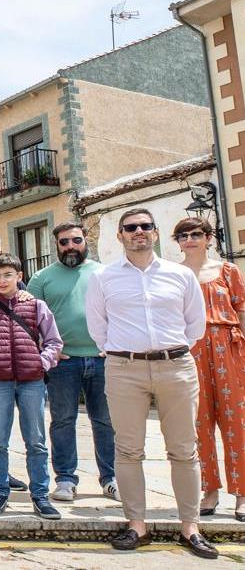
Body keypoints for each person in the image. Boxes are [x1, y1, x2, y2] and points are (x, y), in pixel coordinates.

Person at [85, 208, 216, 559]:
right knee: (128, 449)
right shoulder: (103, 277)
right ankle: (136, 525)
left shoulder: (180, 275)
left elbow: (195, 324)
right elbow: (98, 325)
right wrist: (123, 352)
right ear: (120, 236)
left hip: (176, 366)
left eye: (145, 226)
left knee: (184, 449)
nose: (138, 231)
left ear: (155, 233)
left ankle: (190, 527)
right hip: (124, 368)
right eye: (131, 227)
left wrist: (169, 351)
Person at [0, 254, 64, 519]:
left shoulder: (37, 306)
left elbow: (54, 341)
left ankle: (40, 496)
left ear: (19, 276)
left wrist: (42, 362)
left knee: (36, 441)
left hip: (32, 382)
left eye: (8, 275)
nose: (2, 280)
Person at [26, 222, 117, 503]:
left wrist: (112, 346)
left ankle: (111, 479)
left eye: (76, 240)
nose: (70, 246)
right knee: (63, 421)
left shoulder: (105, 274)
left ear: (85, 240)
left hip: (102, 360)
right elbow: (29, 321)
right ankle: (65, 479)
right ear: (56, 245)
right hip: (62, 363)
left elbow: (119, 312)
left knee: (105, 421)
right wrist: (45, 350)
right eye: (63, 242)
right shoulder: (41, 278)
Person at [173, 217, 245, 522]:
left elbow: (241, 309)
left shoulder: (228, 270)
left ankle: (242, 494)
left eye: (195, 234)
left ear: (208, 238)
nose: (189, 239)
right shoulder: (174, 274)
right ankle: (209, 490)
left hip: (228, 345)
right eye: (183, 235)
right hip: (191, 349)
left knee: (237, 420)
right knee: (199, 422)